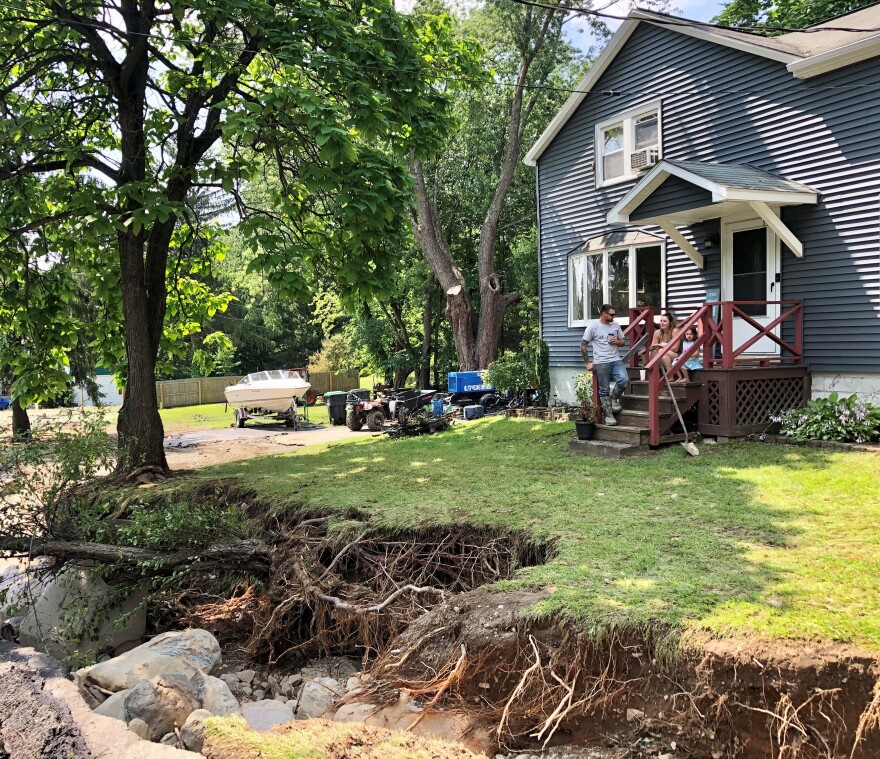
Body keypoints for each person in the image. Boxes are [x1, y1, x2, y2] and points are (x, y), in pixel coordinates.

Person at [581, 303, 627, 425]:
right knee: (604, 389)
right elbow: (583, 345)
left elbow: (622, 342)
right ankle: (609, 416)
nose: (614, 316)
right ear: (603, 314)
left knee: (624, 380)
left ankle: (613, 399)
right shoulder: (593, 327)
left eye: (614, 314)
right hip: (601, 362)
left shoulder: (615, 325)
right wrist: (587, 363)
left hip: (615, 359)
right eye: (611, 314)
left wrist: (617, 341)